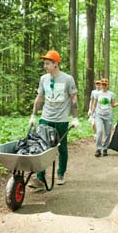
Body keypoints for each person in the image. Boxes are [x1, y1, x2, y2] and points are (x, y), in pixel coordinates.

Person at [29, 50, 79, 187]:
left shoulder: (68, 79)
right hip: (45, 118)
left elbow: (74, 98)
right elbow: (39, 98)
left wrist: (75, 118)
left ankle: (61, 173)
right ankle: (40, 178)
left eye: (47, 63)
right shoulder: (43, 79)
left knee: (61, 148)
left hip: (61, 120)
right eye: (44, 63)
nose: (45, 66)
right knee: (42, 147)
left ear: (56, 64)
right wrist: (33, 115)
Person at [90, 78, 118, 157]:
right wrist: (92, 114)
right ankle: (98, 149)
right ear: (101, 85)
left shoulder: (111, 94)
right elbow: (94, 104)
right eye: (103, 84)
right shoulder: (97, 94)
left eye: (105, 84)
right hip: (99, 115)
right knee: (99, 131)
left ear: (107, 85)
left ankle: (105, 148)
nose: (104, 86)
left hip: (108, 115)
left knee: (108, 132)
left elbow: (113, 105)